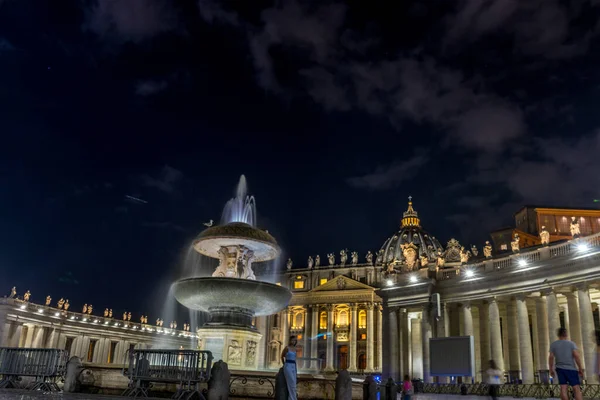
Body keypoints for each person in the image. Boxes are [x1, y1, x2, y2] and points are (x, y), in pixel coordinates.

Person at [549, 327, 584, 400]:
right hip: (571, 369)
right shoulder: (571, 344)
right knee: (576, 388)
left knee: (563, 388)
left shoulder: (553, 345)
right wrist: (580, 368)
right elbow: (576, 356)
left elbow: (551, 357)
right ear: (566, 335)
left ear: (558, 335)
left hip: (560, 369)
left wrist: (551, 369)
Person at [281, 336, 298, 400]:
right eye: (292, 340)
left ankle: (291, 398)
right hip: (288, 366)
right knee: (291, 384)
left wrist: (296, 369)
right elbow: (282, 356)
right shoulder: (287, 348)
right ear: (290, 340)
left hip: (293, 366)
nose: (294, 342)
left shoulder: (295, 349)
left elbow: (295, 360)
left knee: (294, 384)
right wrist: (284, 365)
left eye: (295, 340)